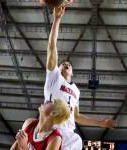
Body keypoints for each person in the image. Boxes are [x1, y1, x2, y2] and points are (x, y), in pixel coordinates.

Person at [44, 6, 116, 150]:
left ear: (72, 72)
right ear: (57, 68)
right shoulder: (54, 77)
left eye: (69, 64)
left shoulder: (76, 91)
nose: (66, 64)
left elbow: (76, 116)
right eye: (63, 63)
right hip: (51, 128)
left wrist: (100, 123)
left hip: (69, 134)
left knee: (78, 140)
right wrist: (57, 19)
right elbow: (52, 46)